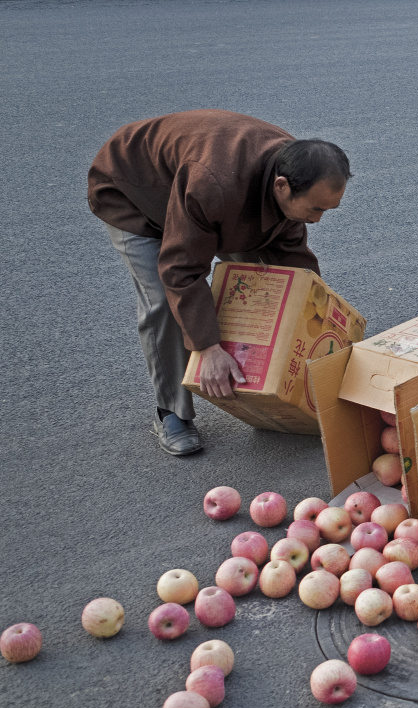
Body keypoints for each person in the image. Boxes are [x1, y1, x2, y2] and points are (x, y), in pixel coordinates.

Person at [88, 110, 351, 456]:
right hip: (133, 190)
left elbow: (292, 263)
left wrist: (327, 325)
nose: (316, 220)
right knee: (165, 303)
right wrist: (207, 347)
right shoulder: (214, 183)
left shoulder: (294, 168)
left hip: (205, 194)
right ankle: (171, 413)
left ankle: (264, 382)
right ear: (281, 186)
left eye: (327, 212)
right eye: (315, 209)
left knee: (265, 283)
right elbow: (181, 270)